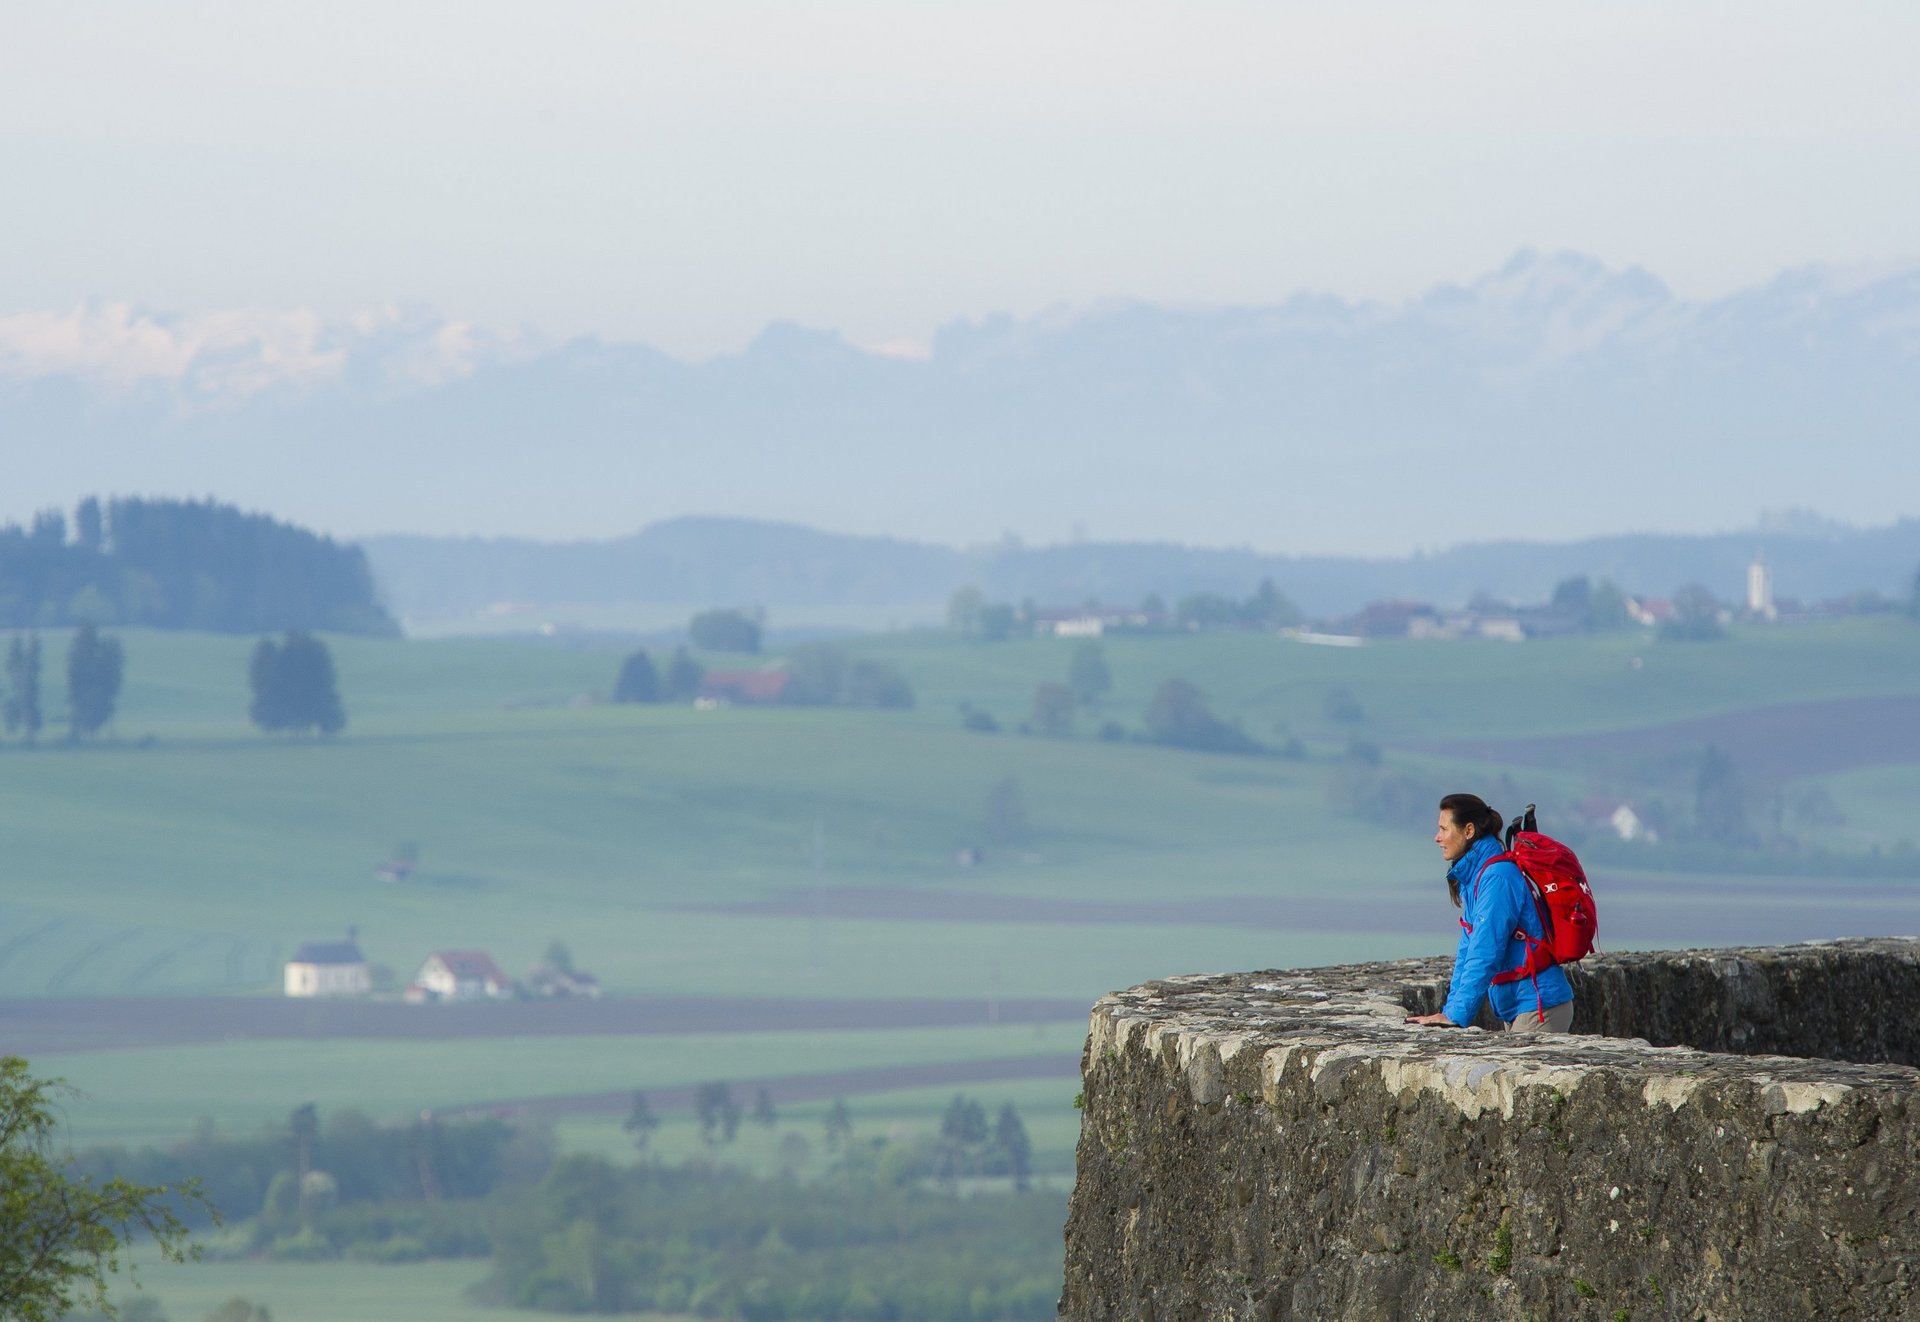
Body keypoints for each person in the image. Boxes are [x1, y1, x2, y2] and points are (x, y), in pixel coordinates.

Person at [1406, 792, 1574, 1032]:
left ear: (1469, 831)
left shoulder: (1497, 878)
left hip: (1539, 1006)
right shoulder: (1476, 877)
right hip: (1523, 1007)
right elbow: (1467, 951)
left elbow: (1485, 951)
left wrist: (1456, 1015)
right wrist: (1449, 1012)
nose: (1437, 837)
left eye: (1444, 829)